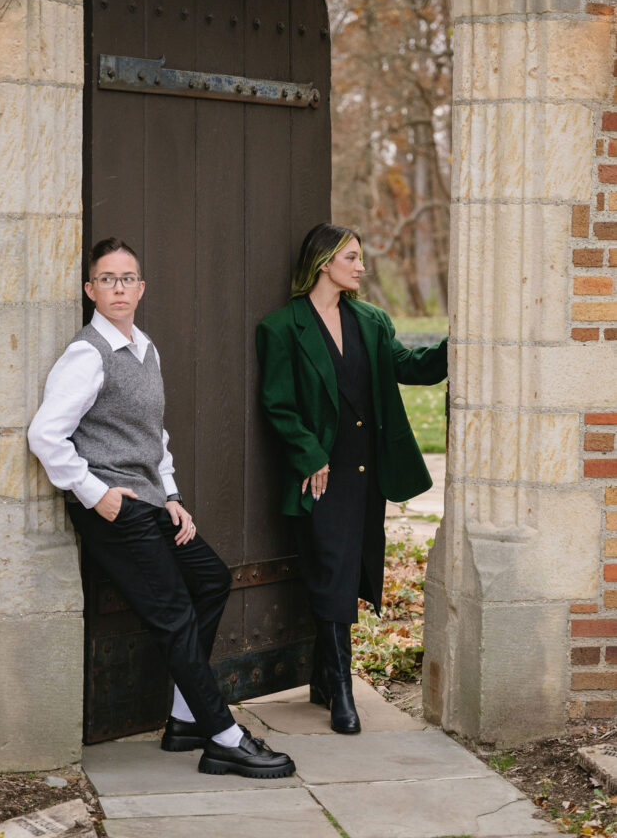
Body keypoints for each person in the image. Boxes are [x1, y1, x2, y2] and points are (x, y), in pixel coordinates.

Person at [28, 236, 295, 779]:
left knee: (213, 580)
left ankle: (184, 718)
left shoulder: (145, 349)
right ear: (90, 290)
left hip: (151, 499)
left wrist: (172, 495)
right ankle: (223, 737)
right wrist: (94, 493)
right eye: (107, 279)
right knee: (172, 615)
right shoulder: (87, 354)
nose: (118, 287)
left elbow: (156, 436)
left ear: (141, 287)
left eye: (127, 278)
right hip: (114, 507)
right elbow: (45, 435)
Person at [256, 223, 447, 734]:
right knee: (332, 571)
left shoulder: (373, 320)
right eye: (354, 258)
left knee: (350, 568)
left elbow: (410, 366)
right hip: (321, 475)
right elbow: (278, 404)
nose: (362, 267)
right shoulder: (281, 327)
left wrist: (463, 340)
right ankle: (342, 689)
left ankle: (324, 678)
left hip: (366, 473)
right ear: (325, 263)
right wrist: (310, 455)